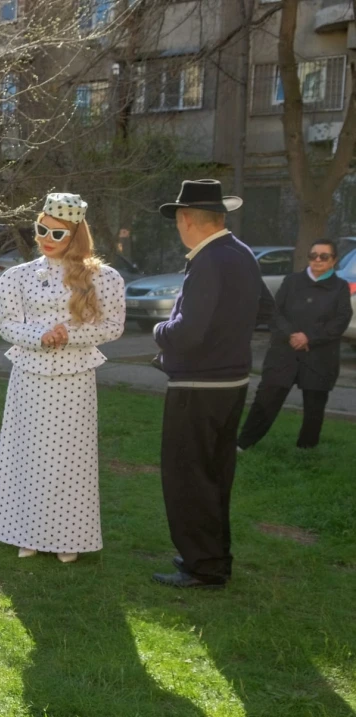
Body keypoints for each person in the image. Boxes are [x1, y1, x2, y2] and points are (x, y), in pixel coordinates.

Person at [0, 194, 126, 563]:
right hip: (29, 376)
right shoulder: (16, 277)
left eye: (58, 233)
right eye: (41, 229)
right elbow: (6, 325)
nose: (46, 238)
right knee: (27, 454)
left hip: (74, 378)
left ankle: (68, 536)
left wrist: (71, 335)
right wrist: (40, 336)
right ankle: (26, 532)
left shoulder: (103, 278)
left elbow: (113, 326)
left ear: (75, 235)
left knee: (70, 457)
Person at [151, 179, 274, 590]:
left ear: (187, 219)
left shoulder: (209, 260)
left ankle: (203, 564)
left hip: (199, 387)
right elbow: (265, 310)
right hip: (231, 382)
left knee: (189, 477)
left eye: (178, 220)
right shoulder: (241, 252)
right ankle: (212, 558)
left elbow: (188, 331)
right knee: (215, 475)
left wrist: (159, 330)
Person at [237, 239, 353, 451]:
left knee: (314, 406)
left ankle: (306, 449)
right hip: (284, 352)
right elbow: (275, 312)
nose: (317, 260)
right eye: (313, 255)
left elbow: (341, 320)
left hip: (319, 356)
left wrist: (309, 337)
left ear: (334, 260)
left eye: (324, 256)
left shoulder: (340, 288)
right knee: (267, 398)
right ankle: (244, 443)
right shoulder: (292, 281)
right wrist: (291, 335)